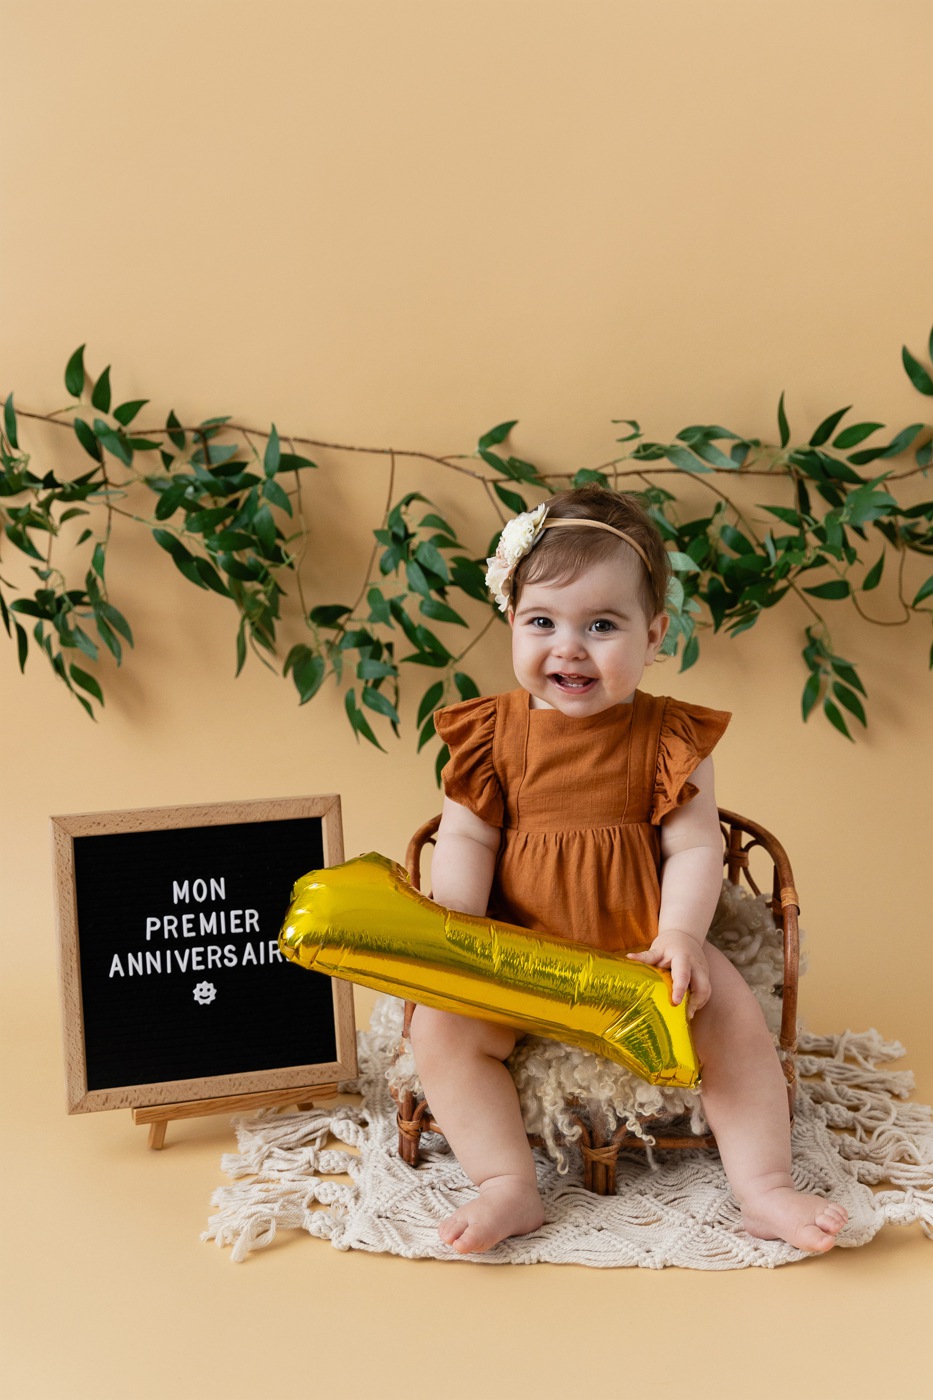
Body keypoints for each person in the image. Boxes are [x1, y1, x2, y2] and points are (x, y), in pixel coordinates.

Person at [409, 485, 849, 1256]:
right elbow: (467, 839)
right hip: (517, 952)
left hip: (636, 950)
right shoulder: (489, 736)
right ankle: (506, 1184)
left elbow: (693, 848)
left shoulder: (668, 737)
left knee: (734, 1023)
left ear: (652, 638)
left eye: (601, 626)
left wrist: (679, 934)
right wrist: (457, 930)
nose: (568, 647)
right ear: (511, 623)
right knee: (441, 1032)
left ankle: (763, 1188)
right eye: (541, 622)